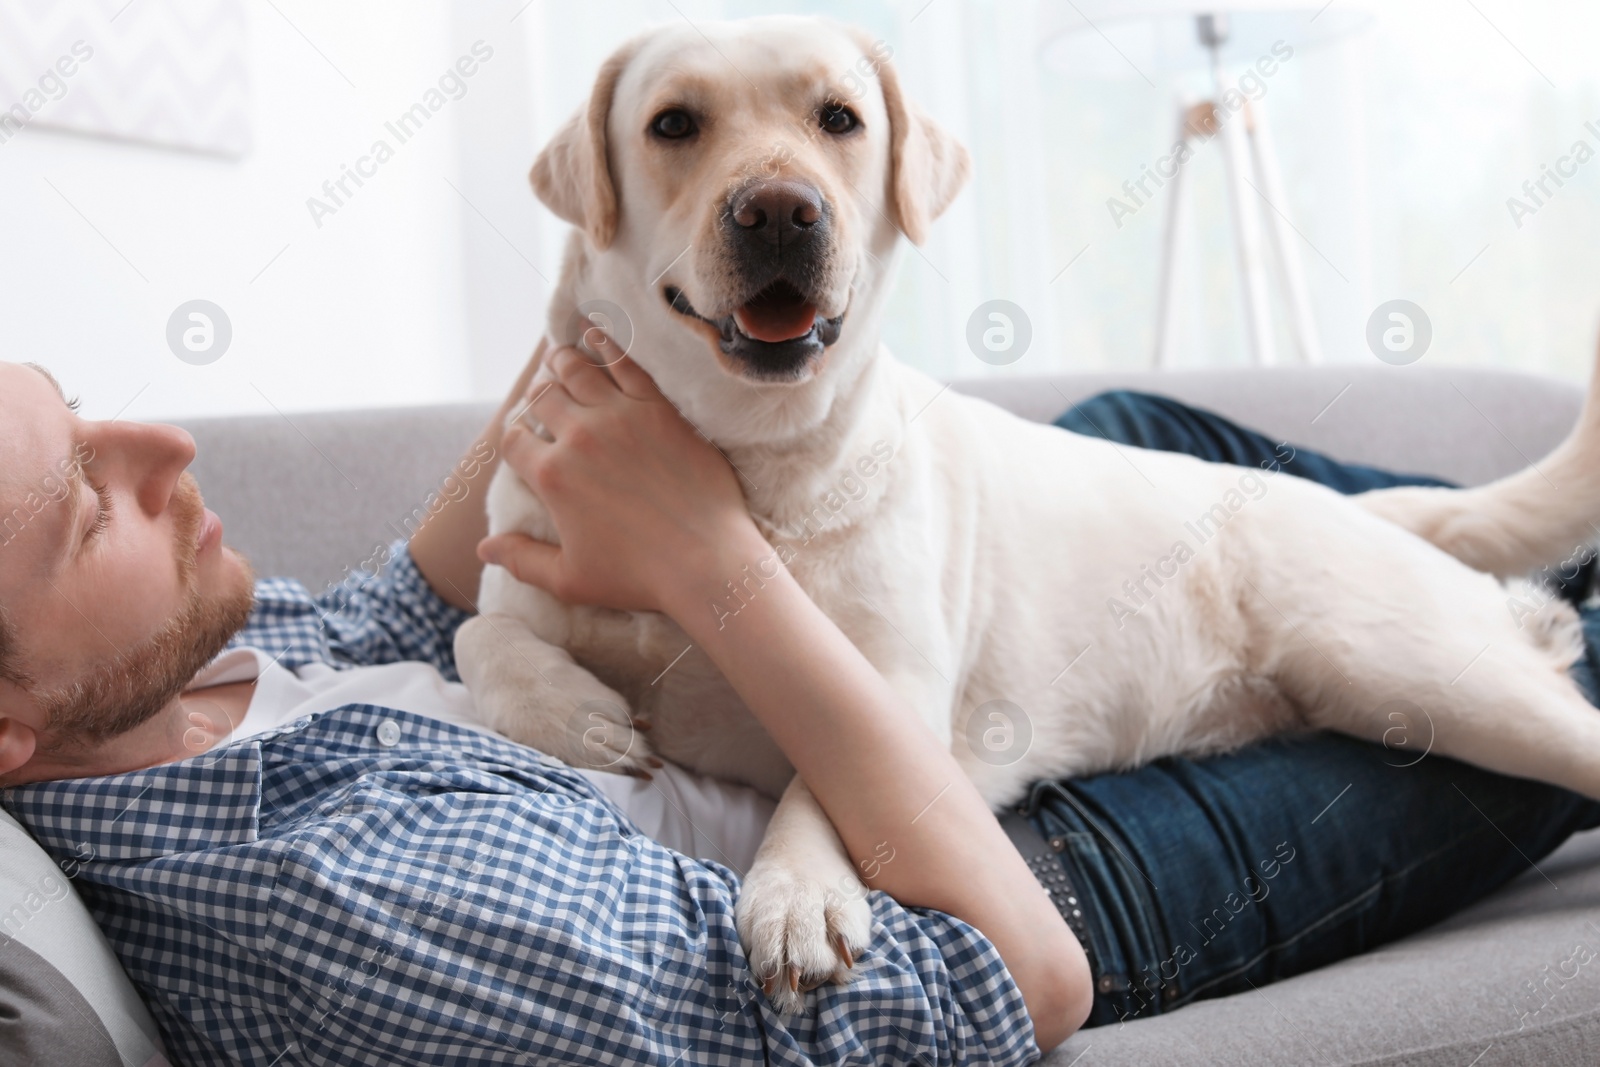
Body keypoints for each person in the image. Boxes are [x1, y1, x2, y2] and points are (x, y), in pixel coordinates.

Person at [0, 345, 1594, 1064]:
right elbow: (1004, 984)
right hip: (1016, 857)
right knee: (1490, 694)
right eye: (91, 505)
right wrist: (711, 565)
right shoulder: (348, 907)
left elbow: (393, 609)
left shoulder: (195, 679)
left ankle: (1484, 547)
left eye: (87, 411)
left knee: (1118, 428)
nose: (171, 452)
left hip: (866, 709)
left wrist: (620, 310)